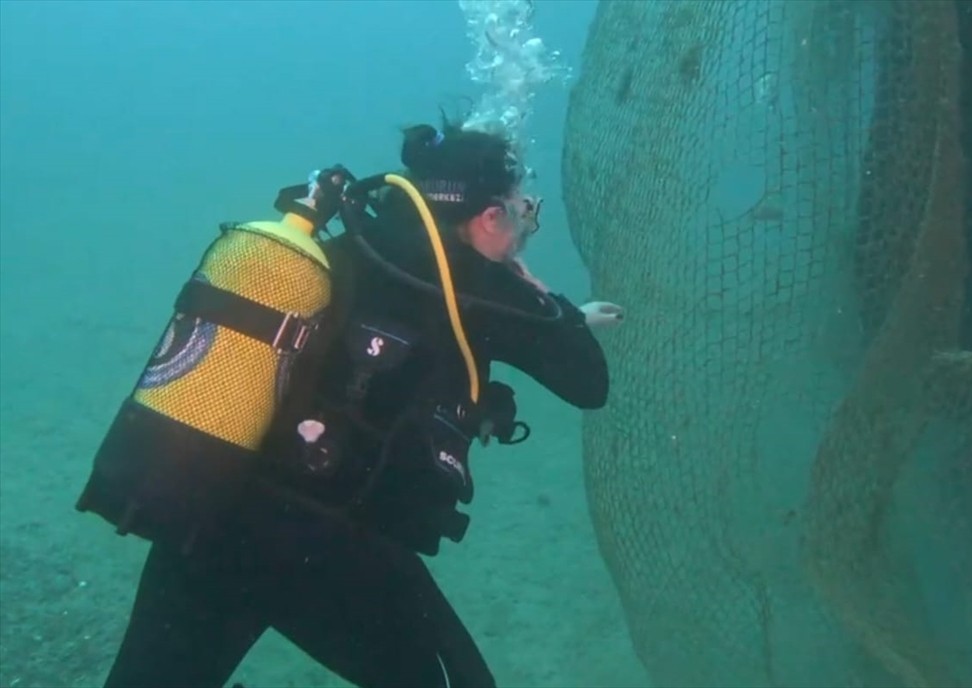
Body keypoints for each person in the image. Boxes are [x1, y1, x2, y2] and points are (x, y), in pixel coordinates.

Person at [81, 119, 623, 688]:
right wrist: (548, 302)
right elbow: (590, 384)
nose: (523, 231)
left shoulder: (340, 250)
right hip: (330, 551)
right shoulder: (484, 292)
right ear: (489, 217)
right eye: (523, 213)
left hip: (214, 514)